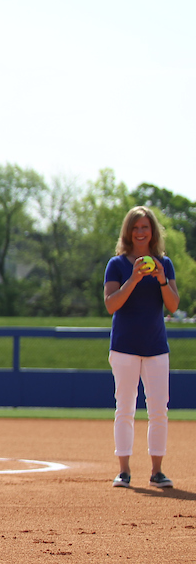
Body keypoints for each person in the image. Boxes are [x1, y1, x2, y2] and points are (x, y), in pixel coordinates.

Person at [103, 205, 180, 490]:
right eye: (135, 228)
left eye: (145, 227)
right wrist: (134, 278)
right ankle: (123, 470)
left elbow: (172, 305)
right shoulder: (118, 264)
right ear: (128, 232)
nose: (140, 232)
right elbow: (111, 304)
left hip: (156, 346)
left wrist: (160, 277)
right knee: (124, 408)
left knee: (159, 409)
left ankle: (157, 471)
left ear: (152, 231)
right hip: (124, 346)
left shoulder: (165, 263)